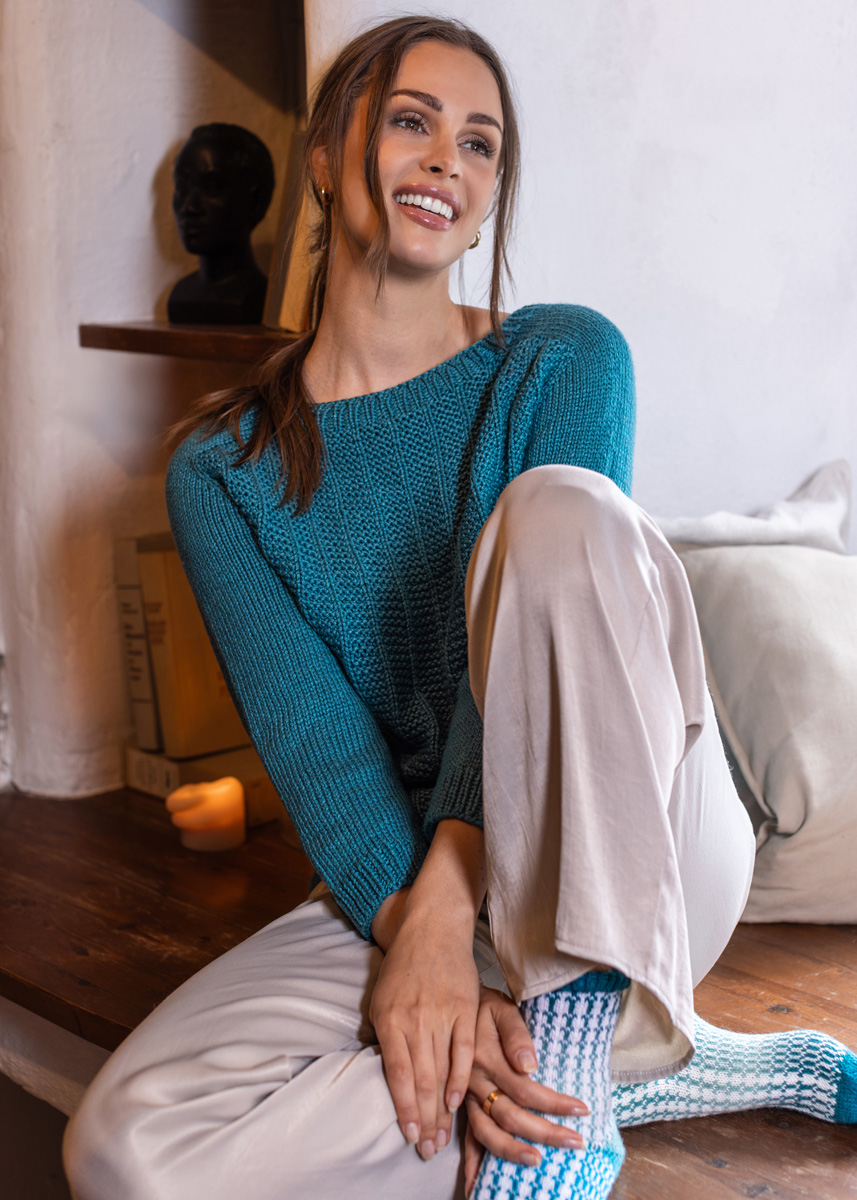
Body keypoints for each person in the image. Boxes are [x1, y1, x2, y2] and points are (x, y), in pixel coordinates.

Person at [64, 15, 857, 1200]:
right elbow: (323, 752)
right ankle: (615, 1074)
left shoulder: (558, 362)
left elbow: (547, 666)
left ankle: (578, 1054)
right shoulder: (222, 472)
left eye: (478, 143)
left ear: (487, 200)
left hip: (635, 840)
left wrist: (444, 920)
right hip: (404, 873)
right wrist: (422, 934)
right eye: (410, 121)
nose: (447, 159)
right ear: (325, 156)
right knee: (127, 1150)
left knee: (557, 513)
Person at [168, 123, 275, 324]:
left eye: (212, 187)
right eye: (181, 188)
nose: (190, 207)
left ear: (256, 201)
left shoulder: (258, 296)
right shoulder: (181, 293)